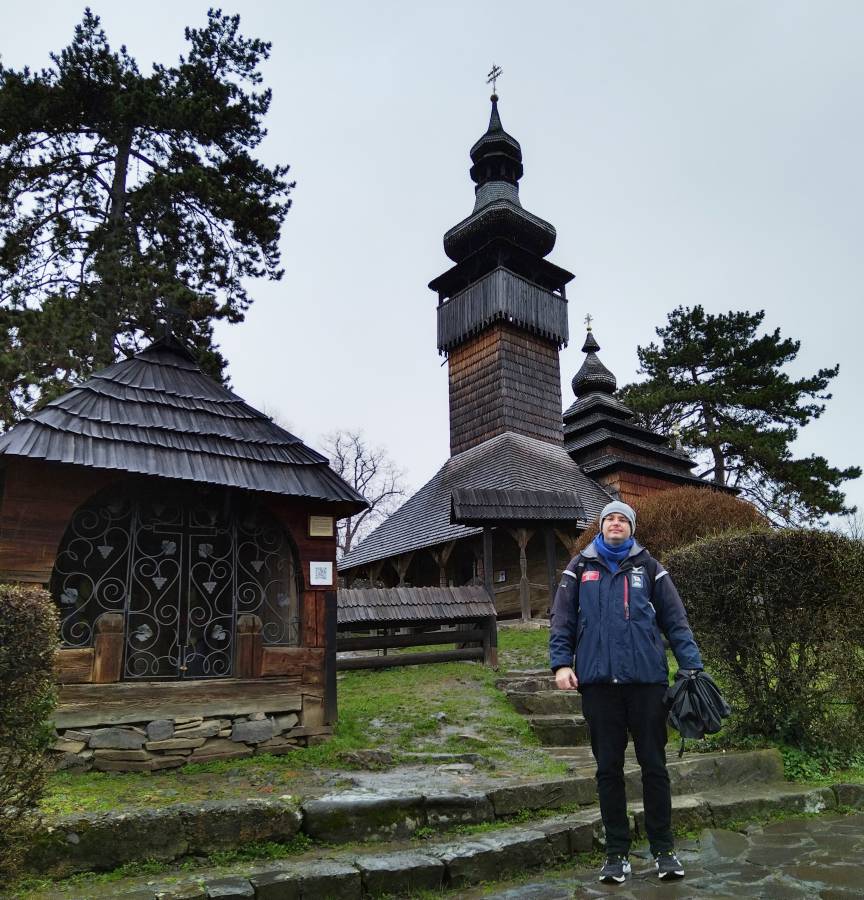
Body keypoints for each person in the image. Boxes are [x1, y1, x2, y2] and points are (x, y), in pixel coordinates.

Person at [549, 500, 703, 884]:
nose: (616, 524)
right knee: (608, 770)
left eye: (623, 519)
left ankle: (663, 850)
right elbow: (563, 618)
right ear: (600, 527)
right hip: (599, 686)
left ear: (631, 528)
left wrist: (691, 664)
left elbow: (675, 619)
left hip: (647, 684)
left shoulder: (650, 567)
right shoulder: (579, 568)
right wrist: (562, 663)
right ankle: (616, 854)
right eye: (610, 519)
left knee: (654, 766)